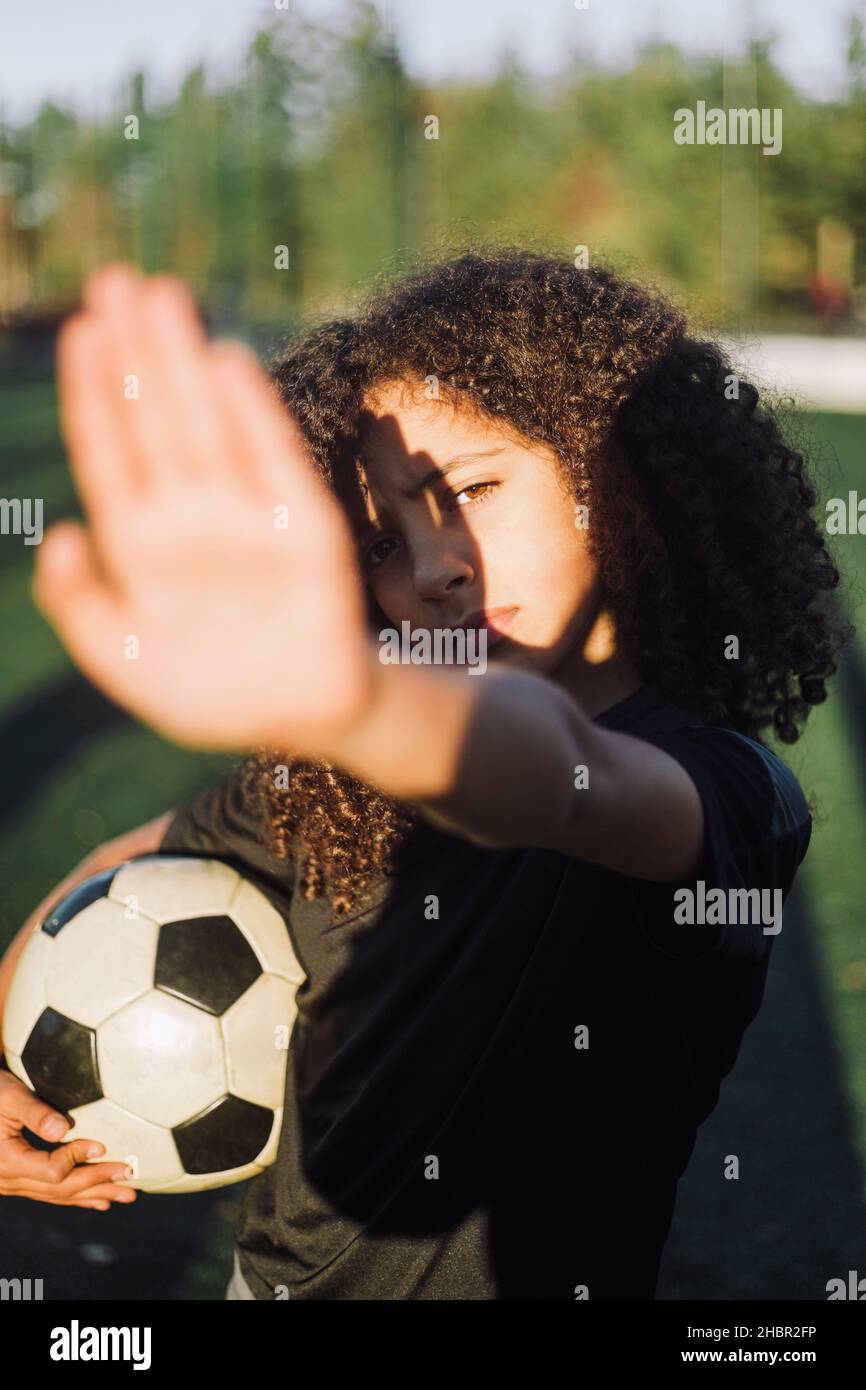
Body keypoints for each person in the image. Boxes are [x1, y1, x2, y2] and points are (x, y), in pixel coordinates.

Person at [0, 248, 847, 1299]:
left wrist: (350, 699)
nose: (434, 566)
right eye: (379, 541)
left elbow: (543, 766)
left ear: (624, 474)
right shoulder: (349, 775)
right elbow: (123, 857)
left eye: (473, 487)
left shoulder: (716, 791)